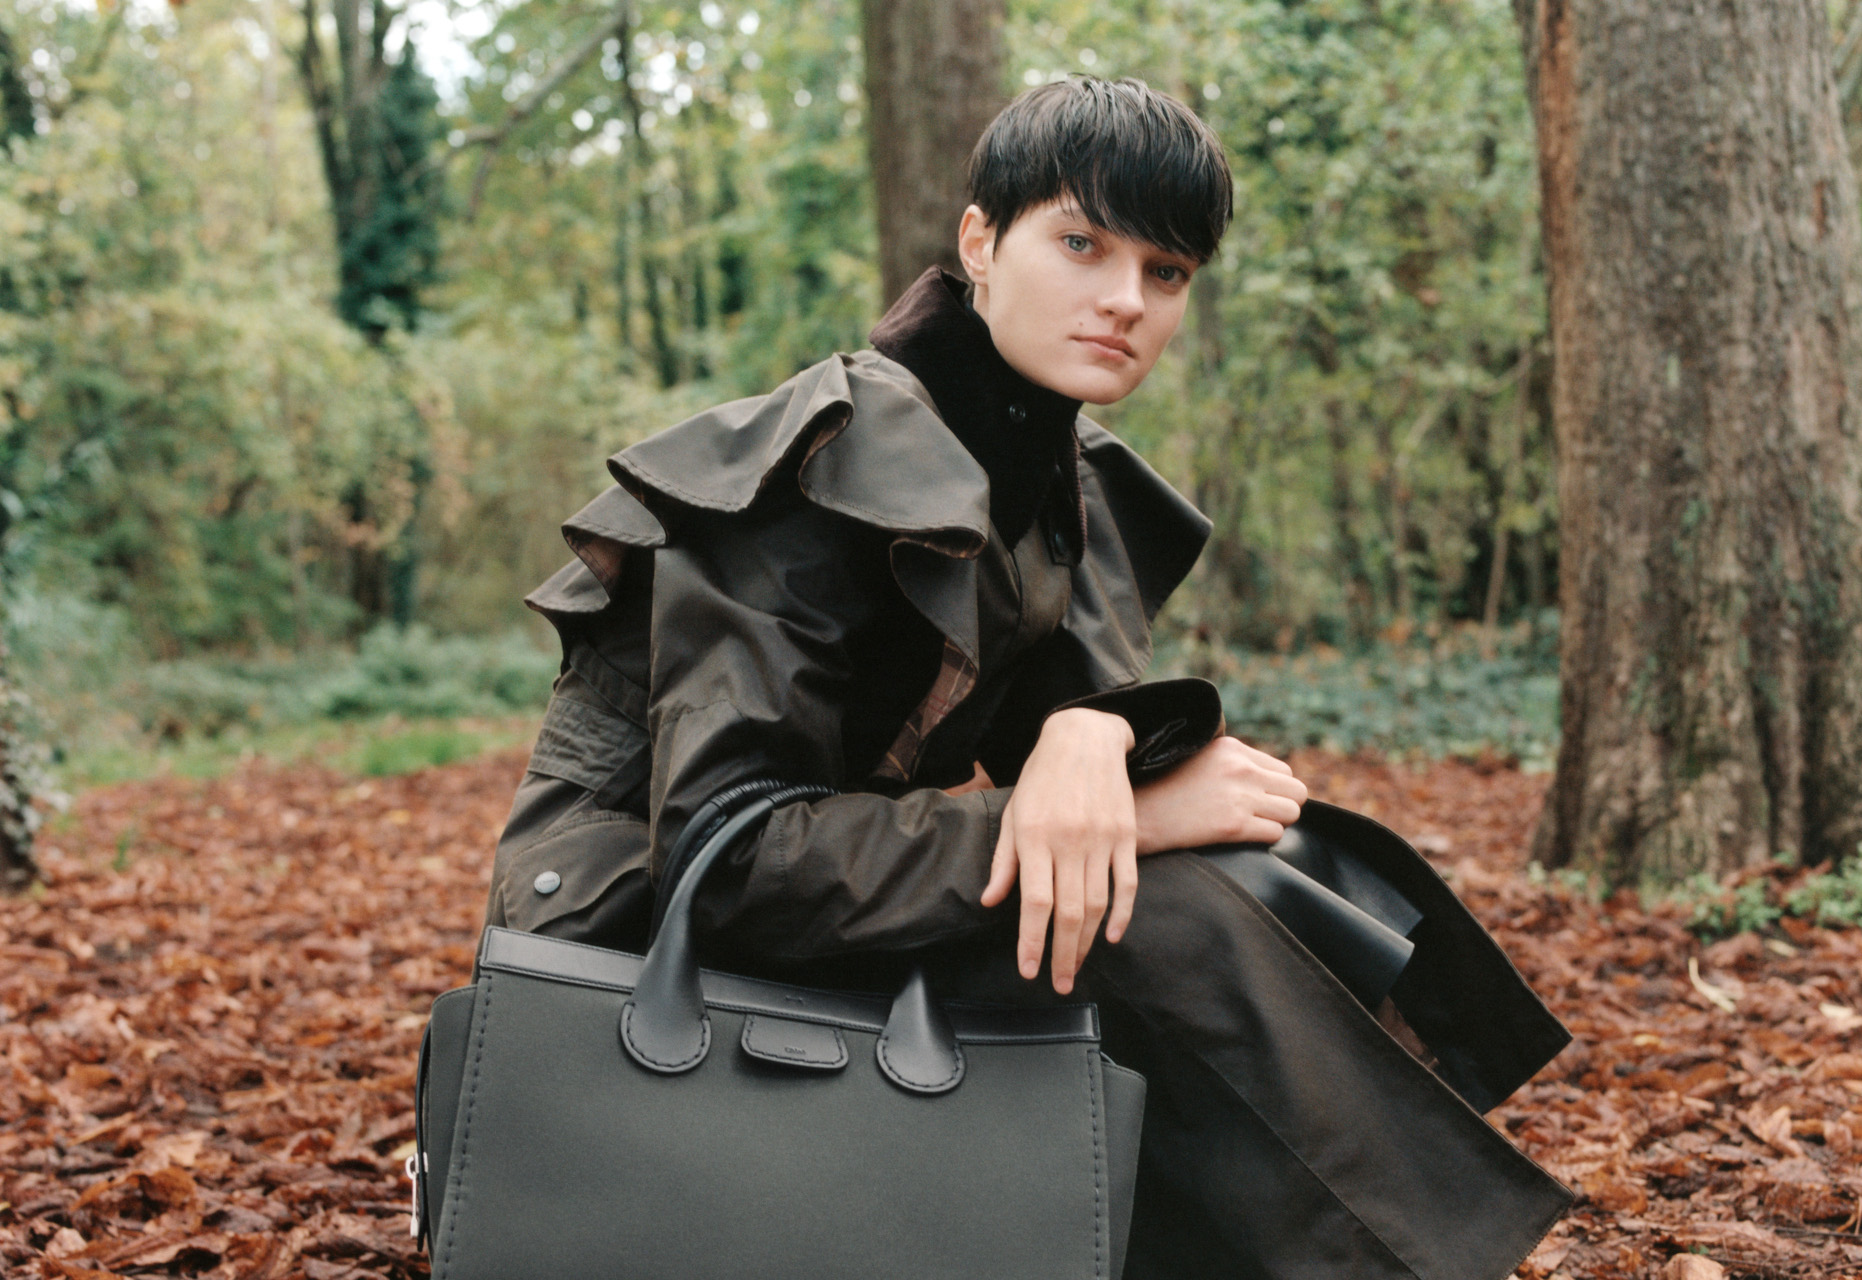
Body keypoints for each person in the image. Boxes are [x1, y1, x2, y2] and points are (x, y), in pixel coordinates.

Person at [483, 76, 1571, 1280]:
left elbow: (1089, 722)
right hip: (629, 941)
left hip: (829, 894)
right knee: (1160, 911)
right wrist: (1105, 808)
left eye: (1165, 273)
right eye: (1080, 243)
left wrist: (1096, 747)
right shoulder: (818, 458)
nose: (1124, 301)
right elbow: (728, 862)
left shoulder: (1059, 473)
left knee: (1266, 851)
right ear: (978, 244)